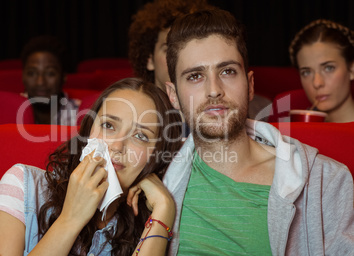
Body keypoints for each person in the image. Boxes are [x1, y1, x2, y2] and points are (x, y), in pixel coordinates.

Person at [145, 8, 350, 255]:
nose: (214, 90)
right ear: (173, 95)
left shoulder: (327, 182)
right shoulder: (153, 178)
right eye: (195, 76)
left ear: (250, 85)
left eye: (227, 71)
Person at [0, 78, 183, 256]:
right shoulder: (25, 186)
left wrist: (163, 210)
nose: (117, 145)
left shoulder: (157, 216)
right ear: (88, 132)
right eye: (109, 125)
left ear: (157, 155)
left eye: (141, 136)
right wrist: (72, 218)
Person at [128, 0, 272, 121]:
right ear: (149, 59)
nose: (214, 91)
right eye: (169, 50)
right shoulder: (129, 111)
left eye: (228, 71)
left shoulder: (259, 108)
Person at [289, 19, 354, 122]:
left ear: (351, 69)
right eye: (306, 72)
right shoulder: (290, 131)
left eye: (328, 68)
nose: (317, 83)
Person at [21, 35, 79, 125]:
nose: (40, 82)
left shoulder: (82, 114)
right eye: (32, 73)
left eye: (50, 73)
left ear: (63, 77)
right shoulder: (8, 111)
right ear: (23, 76)